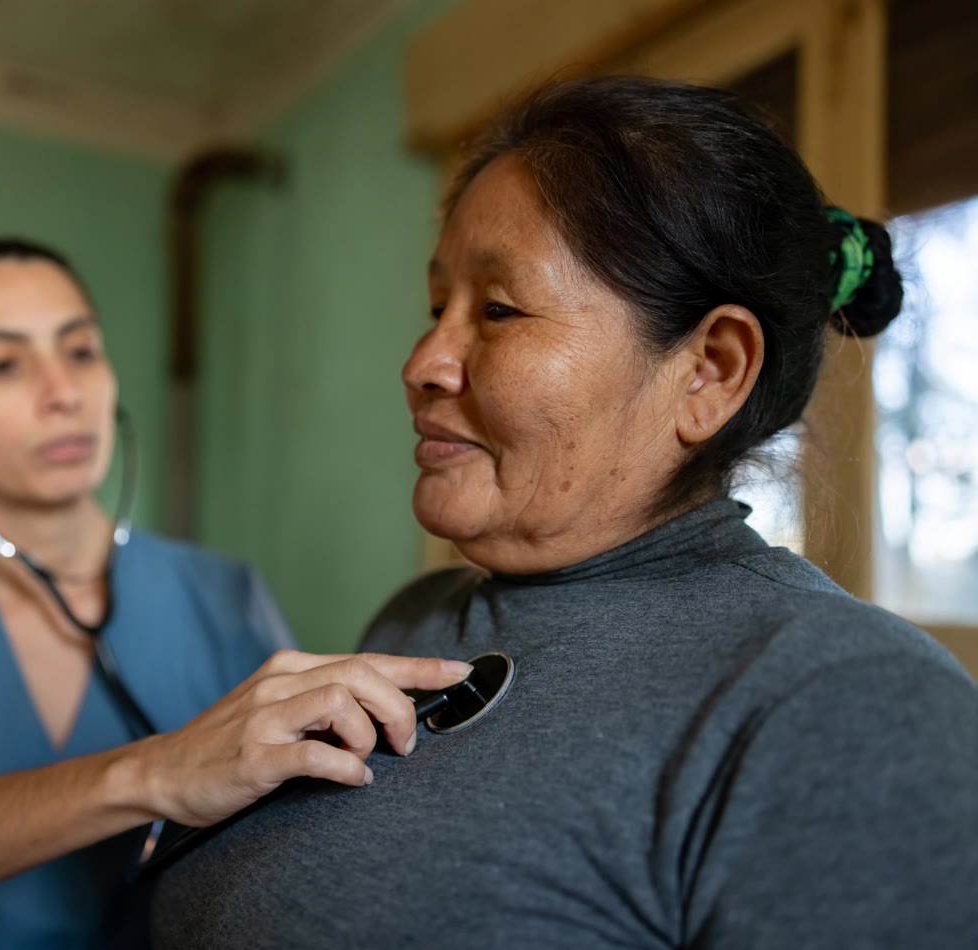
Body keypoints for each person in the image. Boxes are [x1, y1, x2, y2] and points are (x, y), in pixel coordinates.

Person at [149, 77, 978, 948]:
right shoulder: (420, 620)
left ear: (709, 372)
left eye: (498, 311)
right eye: (439, 309)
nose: (423, 362)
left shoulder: (841, 700)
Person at [0, 238, 472, 949]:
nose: (62, 392)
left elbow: (297, 831)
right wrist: (157, 770)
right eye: (4, 364)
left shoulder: (223, 591)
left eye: (81, 350)